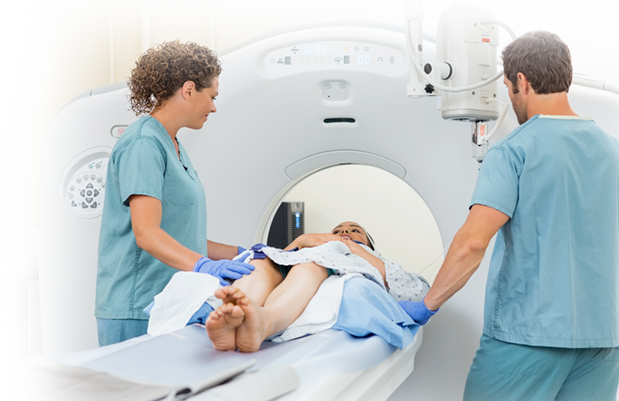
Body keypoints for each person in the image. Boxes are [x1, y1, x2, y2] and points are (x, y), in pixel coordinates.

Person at [399, 31, 619, 401]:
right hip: (597, 341)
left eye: (507, 89)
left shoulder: (514, 151)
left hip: (525, 340)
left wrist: (424, 306)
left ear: (520, 81)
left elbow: (473, 242)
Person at [95, 40, 254, 347]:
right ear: (189, 90)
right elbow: (147, 234)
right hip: (136, 307)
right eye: (212, 96)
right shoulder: (144, 144)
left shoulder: (173, 145)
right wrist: (205, 266)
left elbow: (181, 237)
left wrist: (243, 253)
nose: (214, 107)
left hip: (170, 301)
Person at [204, 221, 429, 352]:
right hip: (297, 257)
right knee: (262, 261)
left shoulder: (374, 259)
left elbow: (411, 291)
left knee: (312, 263)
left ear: (370, 245)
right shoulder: (313, 244)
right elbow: (284, 256)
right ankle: (236, 317)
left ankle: (264, 321)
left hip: (317, 262)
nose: (344, 232)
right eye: (338, 230)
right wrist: (303, 240)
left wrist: (346, 245)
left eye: (354, 230)